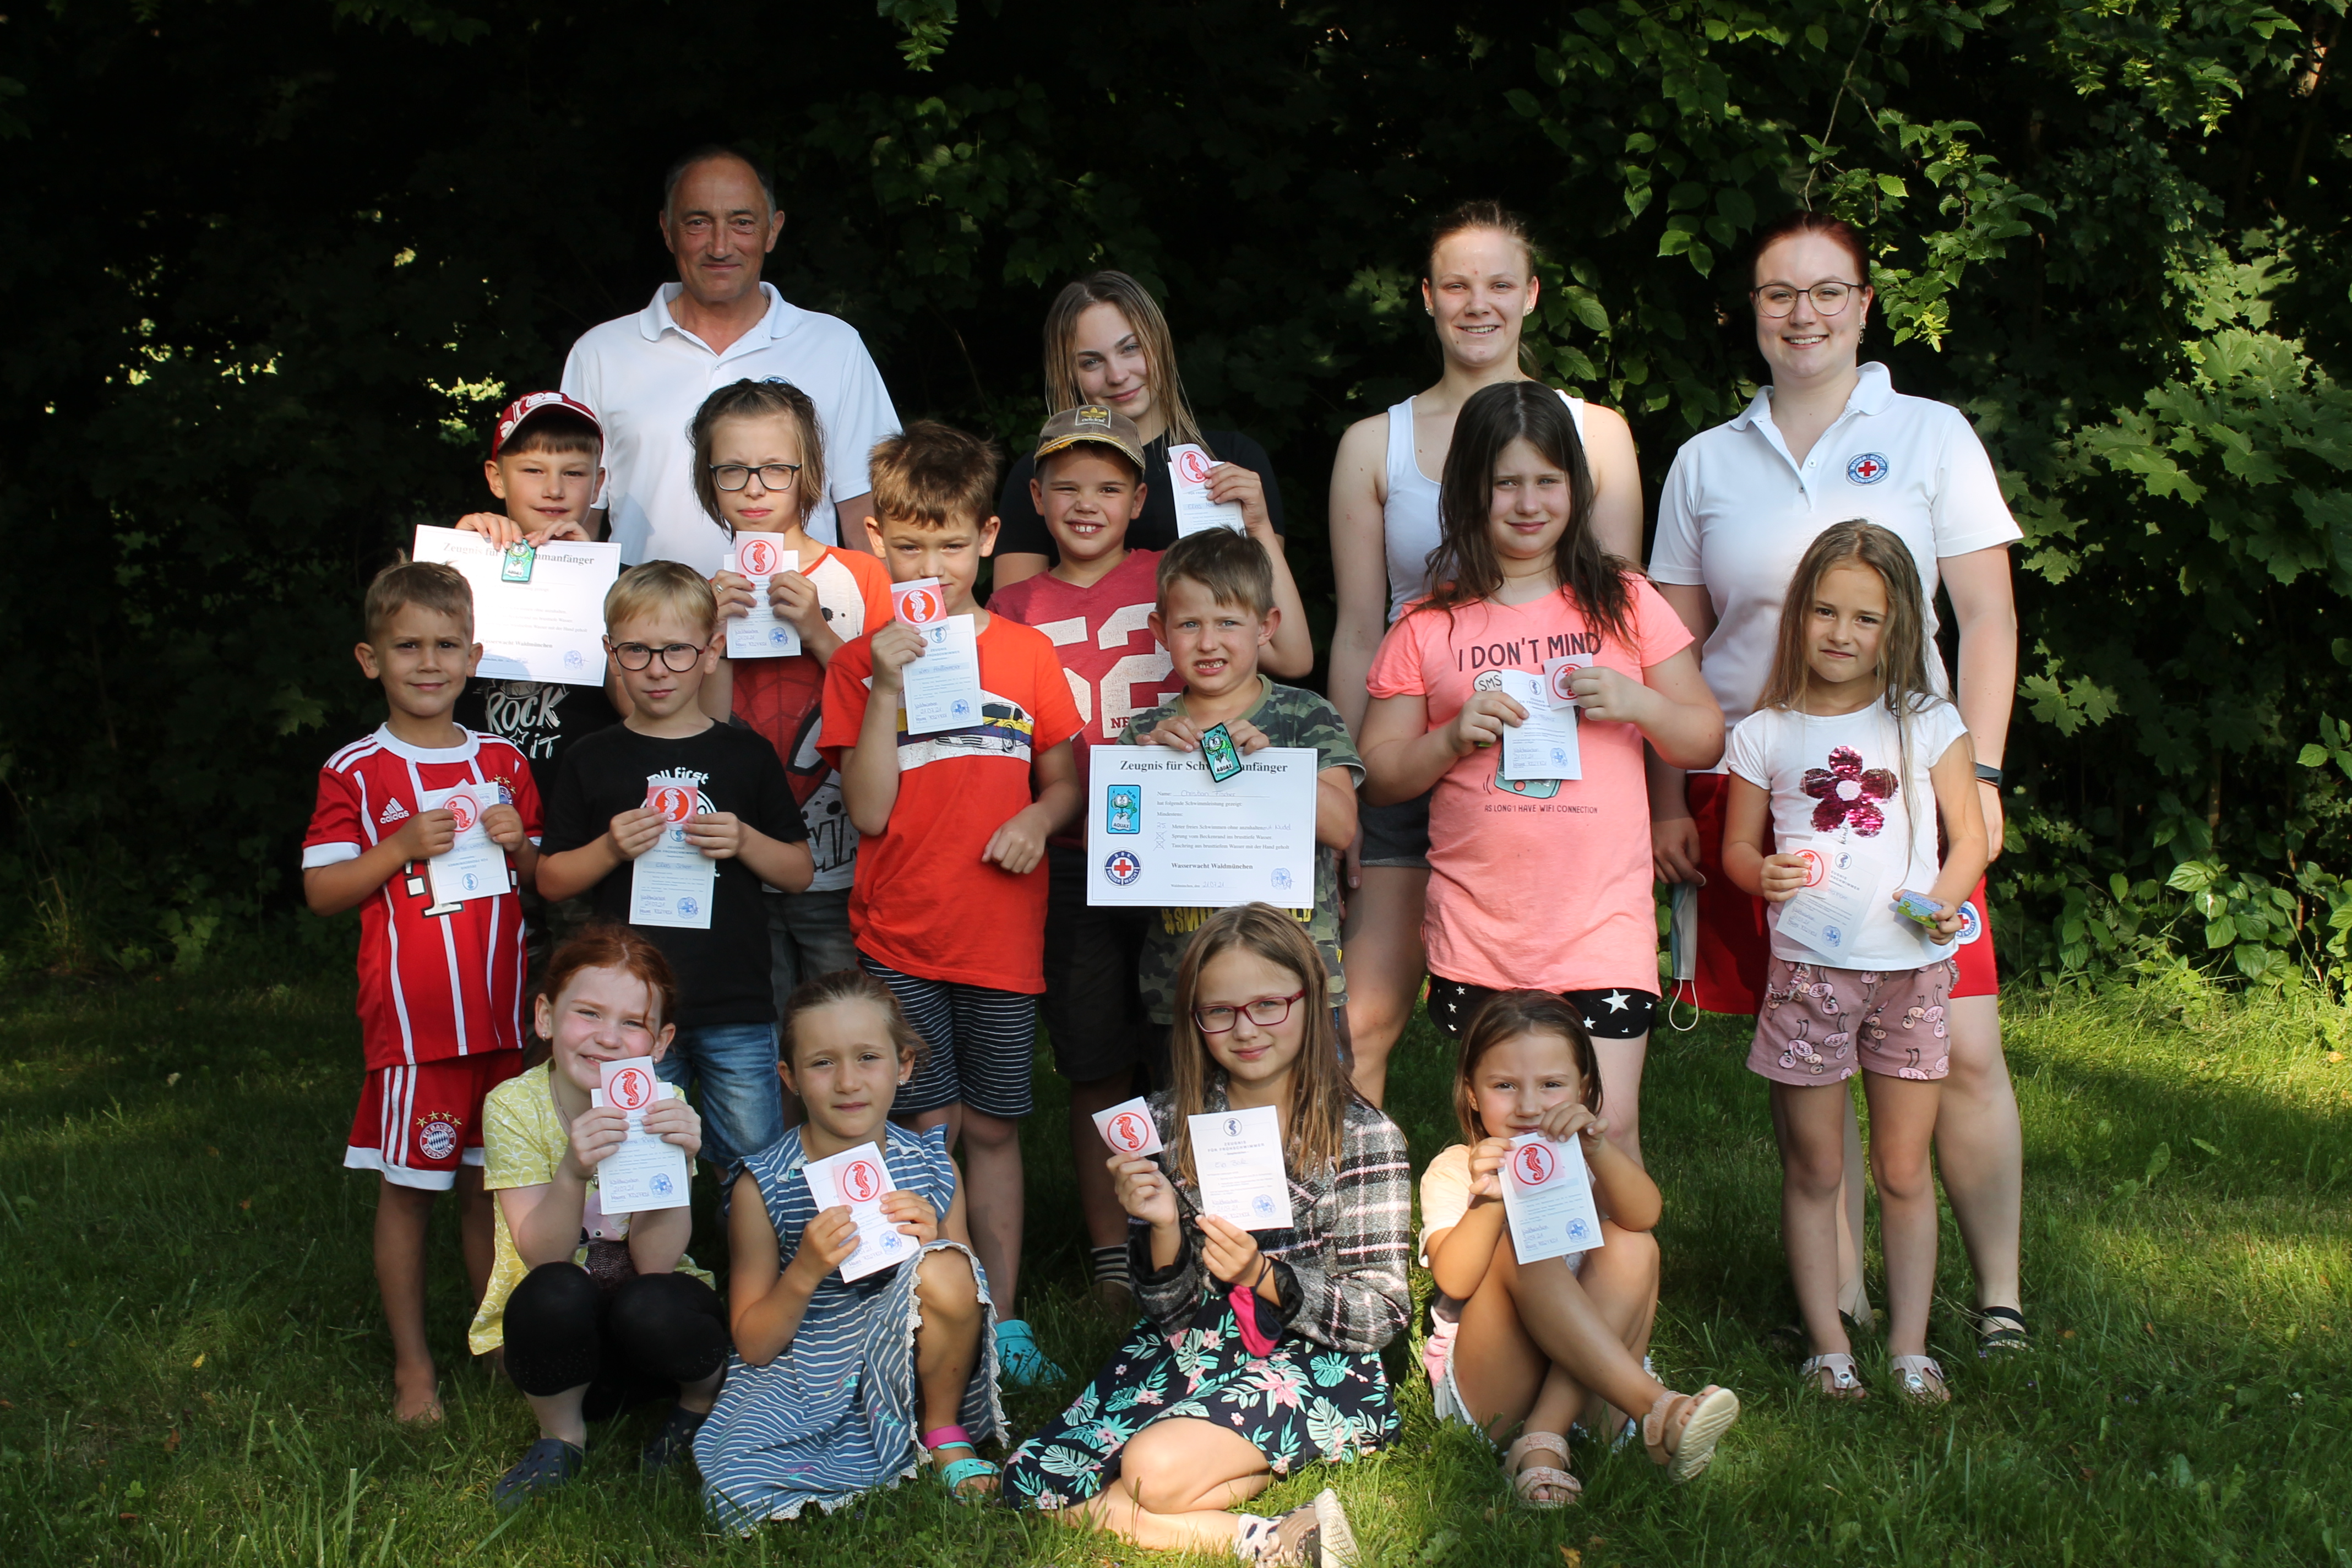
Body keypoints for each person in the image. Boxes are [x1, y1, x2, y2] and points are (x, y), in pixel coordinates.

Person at [1646, 209, 2027, 1352]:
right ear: (1750, 312)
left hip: (1915, 793)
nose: (1802, 313)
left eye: (1826, 291)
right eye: (1778, 292)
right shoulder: (1706, 459)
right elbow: (1670, 649)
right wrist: (1667, 798)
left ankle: (1998, 1296)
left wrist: (1985, 770)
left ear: (1864, 306)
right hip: (1764, 791)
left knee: (1964, 1042)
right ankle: (1847, 1305)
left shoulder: (1931, 432)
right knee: (1817, 1047)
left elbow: (1989, 617)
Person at [1326, 202, 1646, 1107]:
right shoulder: (1372, 443)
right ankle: (1354, 1194)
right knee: (1362, 1019)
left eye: (1499, 283)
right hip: (1411, 739)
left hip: (1555, 766)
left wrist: (1658, 803)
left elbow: (1627, 623)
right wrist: (1343, 785)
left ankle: (1570, 1189)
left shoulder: (1596, 433)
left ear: (1532, 295)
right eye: (1457, 285)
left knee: (1562, 1034)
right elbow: (1359, 629)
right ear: (1427, 297)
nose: (1479, 303)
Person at [1359, 380, 1721, 1173]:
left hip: (1600, 928)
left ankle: (1615, 1259)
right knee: (1504, 1147)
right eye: (1506, 483)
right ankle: (1504, 1262)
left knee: (1607, 1132)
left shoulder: (1625, 603)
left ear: (1576, 489)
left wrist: (1637, 702)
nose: (1529, 503)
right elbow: (1380, 774)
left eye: (1548, 480)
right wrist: (1449, 738)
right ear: (1469, 491)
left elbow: (1703, 732)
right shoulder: (1427, 625)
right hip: (1481, 935)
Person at [1002, 905, 1406, 1568]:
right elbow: (1168, 1312)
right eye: (1219, 1011)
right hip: (1190, 1347)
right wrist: (1164, 1226)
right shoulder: (1165, 1123)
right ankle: (1273, 1531)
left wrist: (1264, 1277)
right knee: (1034, 1480)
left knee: (1148, 1469)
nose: (1245, 1029)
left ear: (1310, 1001)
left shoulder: (1362, 1135)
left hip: (1313, 1358)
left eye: (1268, 1005)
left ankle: (1210, 1517)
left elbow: (1383, 1312)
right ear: (1192, 1019)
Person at [819, 421, 1084, 1386]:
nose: (930, 565)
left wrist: (1038, 819)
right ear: (877, 541)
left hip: (1001, 938)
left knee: (997, 1128)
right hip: (900, 937)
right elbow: (868, 809)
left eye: (950, 543)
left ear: (987, 537)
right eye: (908, 545)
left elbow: (1066, 781)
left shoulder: (1026, 653)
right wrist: (887, 680)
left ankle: (1004, 1319)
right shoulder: (857, 663)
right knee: (927, 1130)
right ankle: (943, 1307)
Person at [1723, 521, 1990, 1403]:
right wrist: (1758, 872)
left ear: (1896, 626)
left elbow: (1971, 837)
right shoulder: (1764, 733)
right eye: (1825, 612)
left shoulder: (1928, 722)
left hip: (1911, 974)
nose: (1842, 633)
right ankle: (1829, 1347)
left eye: (1865, 618)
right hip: (1809, 977)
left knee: (1905, 1169)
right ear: (1798, 615)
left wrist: (1946, 897)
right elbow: (1736, 850)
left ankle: (1911, 1347)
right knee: (1815, 1168)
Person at [301, 560, 541, 1424]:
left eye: (446, 646)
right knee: (409, 1193)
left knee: (490, 1191)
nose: (428, 663)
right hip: (417, 1027)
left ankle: (498, 1347)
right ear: (372, 660)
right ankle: (414, 1367)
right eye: (408, 647)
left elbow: (540, 876)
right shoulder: (357, 770)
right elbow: (323, 891)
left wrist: (521, 847)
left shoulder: (504, 762)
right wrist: (399, 847)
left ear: (474, 657)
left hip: (502, 1022)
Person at [984, 403, 1186, 1308]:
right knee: (1095, 1053)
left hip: (1174, 842)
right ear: (1035, 498)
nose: (1086, 503)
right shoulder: (1014, 605)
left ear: (1139, 499)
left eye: (1109, 486)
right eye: (1065, 486)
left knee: (1184, 1044)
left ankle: (1188, 1225)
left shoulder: (1171, 576)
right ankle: (1110, 1248)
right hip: (1068, 851)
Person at [536, 564, 815, 1174]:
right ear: (611, 653)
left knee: (753, 1164)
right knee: (635, 1163)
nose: (657, 669)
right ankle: (651, 1242)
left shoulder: (746, 754)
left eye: (677, 651)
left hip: (734, 1003)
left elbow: (799, 871)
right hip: (629, 1011)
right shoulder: (591, 758)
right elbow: (551, 879)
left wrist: (744, 839)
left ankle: (746, 1241)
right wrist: (610, 849)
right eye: (637, 651)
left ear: (712, 653)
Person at [696, 970, 1001, 1528]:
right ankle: (851, 1444)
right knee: (735, 1484)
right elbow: (755, 1344)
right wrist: (804, 1271)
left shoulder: (933, 1169)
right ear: (789, 1077)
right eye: (822, 1063)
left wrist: (935, 1244)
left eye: (868, 1058)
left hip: (918, 1365)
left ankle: (941, 1429)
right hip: (805, 1372)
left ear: (903, 1065)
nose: (847, 1082)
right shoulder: (763, 1186)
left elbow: (970, 1298)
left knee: (948, 1265)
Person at [1421, 990, 1740, 1505]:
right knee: (1522, 1244)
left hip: (1595, 1398)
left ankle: (1542, 1442)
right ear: (1472, 1093)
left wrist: (1598, 1148)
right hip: (1496, 1392)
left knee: (1633, 1243)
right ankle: (1655, 1407)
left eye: (1551, 1085)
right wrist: (1489, 1203)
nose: (1529, 1106)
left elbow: (1645, 1216)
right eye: (1504, 1086)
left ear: (1583, 1089)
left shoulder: (1586, 1160)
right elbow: (1454, 1280)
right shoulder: (1457, 1169)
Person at [466, 925, 729, 1506]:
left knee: (654, 1300)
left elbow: (657, 1262)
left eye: (633, 1023)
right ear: (546, 1017)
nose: (608, 1038)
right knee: (553, 1288)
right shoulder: (513, 1105)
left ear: (660, 1042)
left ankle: (698, 1403)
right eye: (588, 1013)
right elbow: (543, 1255)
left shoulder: (665, 1105)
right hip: (557, 1345)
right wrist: (571, 1172)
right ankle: (561, 1435)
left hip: (651, 1341)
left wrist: (676, 1165)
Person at [561, 146, 900, 570]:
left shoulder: (835, 347)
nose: (720, 246)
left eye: (742, 222)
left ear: (772, 231)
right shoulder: (601, 354)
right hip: (646, 613)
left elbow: (868, 515)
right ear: (667, 230)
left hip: (803, 610)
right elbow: (572, 518)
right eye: (698, 223)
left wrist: (884, 609)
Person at [689, 379, 896, 1039]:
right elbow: (703, 731)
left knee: (847, 1025)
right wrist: (714, 639)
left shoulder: (862, 576)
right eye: (732, 470)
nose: (755, 488)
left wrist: (819, 633)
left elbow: (890, 703)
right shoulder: (701, 591)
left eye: (776, 468)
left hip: (844, 862)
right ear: (708, 480)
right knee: (765, 1029)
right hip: (741, 861)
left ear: (810, 474)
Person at [1118, 528, 1363, 1050]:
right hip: (1185, 984)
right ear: (1161, 630)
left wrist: (1268, 765)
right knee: (1186, 1105)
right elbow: (1112, 856)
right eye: (1190, 624)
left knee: (1310, 1105)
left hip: (1296, 982)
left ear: (1266, 627)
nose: (1208, 642)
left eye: (1228, 622)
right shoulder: (1146, 734)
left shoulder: (1304, 716)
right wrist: (1148, 772)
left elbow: (1342, 828)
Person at [990, 270, 1308, 666]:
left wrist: (1258, 527)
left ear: (1159, 345)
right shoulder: (1040, 473)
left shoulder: (1229, 459)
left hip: (1207, 699)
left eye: (1131, 348)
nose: (1118, 375)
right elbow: (1018, 639)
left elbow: (1279, 653)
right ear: (1068, 372)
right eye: (1092, 362)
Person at [446, 392, 624, 969]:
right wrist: (453, 564)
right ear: (496, 478)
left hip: (583, 830)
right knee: (494, 975)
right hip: (483, 820)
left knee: (585, 977)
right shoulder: (460, 570)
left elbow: (641, 707)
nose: (553, 489)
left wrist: (595, 588)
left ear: (599, 483)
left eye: (573, 473)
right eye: (532, 470)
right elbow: (417, 666)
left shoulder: (624, 584)